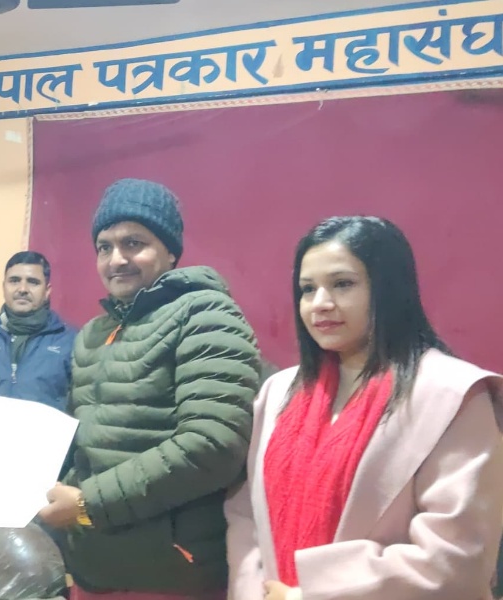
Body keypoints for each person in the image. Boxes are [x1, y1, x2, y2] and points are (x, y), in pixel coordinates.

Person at [225, 216, 503, 600]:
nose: (320, 303)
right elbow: (246, 516)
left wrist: (308, 595)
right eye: (308, 289)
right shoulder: (278, 392)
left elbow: (457, 555)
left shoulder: (452, 394)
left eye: (342, 284)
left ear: (388, 288)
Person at [37, 178, 261, 600]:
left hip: (169, 573)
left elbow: (213, 446)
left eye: (133, 243)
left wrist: (86, 504)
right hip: (92, 566)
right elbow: (81, 444)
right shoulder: (94, 334)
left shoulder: (206, 313)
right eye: (104, 247)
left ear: (170, 251)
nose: (116, 259)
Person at [0, 250, 77, 422]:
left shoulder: (70, 341)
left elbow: (80, 408)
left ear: (47, 291)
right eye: (14, 281)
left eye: (33, 282)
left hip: (40, 439)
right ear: (4, 287)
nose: (22, 289)